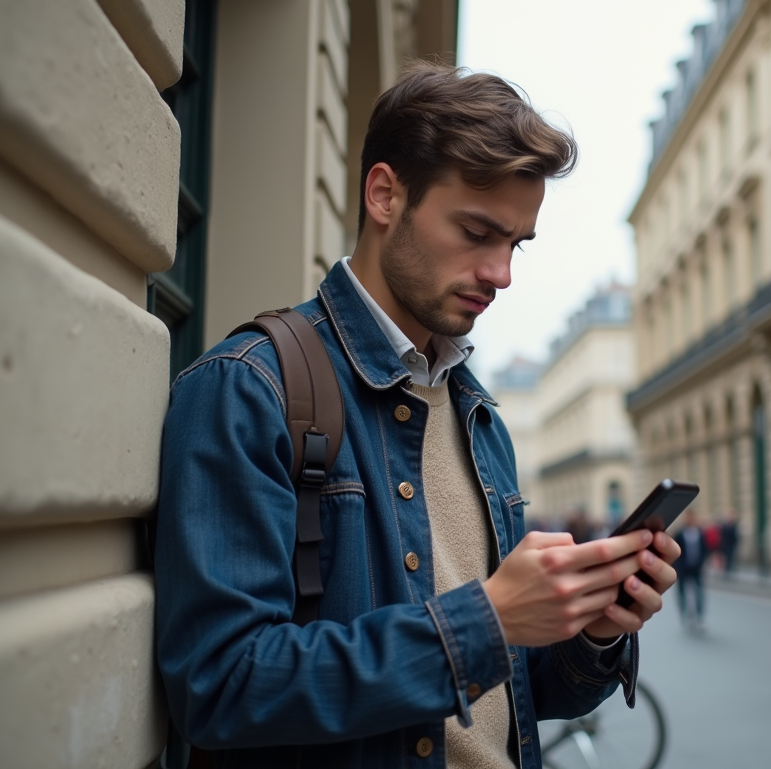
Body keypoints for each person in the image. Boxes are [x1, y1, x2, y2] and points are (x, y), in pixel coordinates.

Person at [154, 62, 681, 768]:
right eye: (476, 231)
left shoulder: (477, 414)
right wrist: (486, 621)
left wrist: (592, 631)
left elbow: (507, 698)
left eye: (515, 243)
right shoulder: (249, 386)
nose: (502, 274)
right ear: (384, 195)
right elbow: (221, 687)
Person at [674, 508, 709, 630]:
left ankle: (699, 616)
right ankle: (683, 615)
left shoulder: (700, 532)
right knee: (682, 593)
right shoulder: (679, 533)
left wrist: (703, 562)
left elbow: (704, 549)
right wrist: (677, 567)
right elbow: (675, 552)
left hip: (697, 568)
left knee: (699, 592)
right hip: (683, 569)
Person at [720, 509, 740, 577]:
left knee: (732, 557)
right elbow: (722, 535)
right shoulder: (725, 525)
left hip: (732, 544)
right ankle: (727, 570)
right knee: (727, 558)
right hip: (726, 545)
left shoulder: (735, 525)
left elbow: (736, 535)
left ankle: (730, 569)